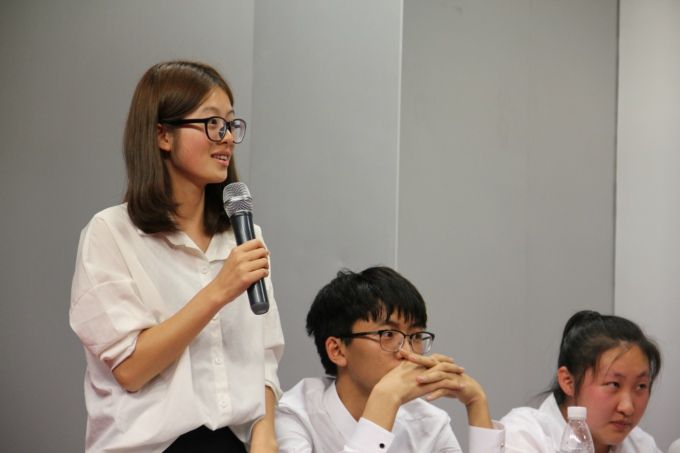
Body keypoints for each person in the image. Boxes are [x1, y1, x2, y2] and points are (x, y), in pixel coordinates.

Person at [69, 61, 284, 452]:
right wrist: (218, 291)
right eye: (212, 123)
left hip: (236, 442)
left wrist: (265, 435)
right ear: (163, 135)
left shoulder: (242, 236)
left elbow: (264, 355)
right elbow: (131, 369)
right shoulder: (111, 233)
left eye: (231, 124)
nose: (227, 138)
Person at [276, 266, 505, 452]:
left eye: (416, 336)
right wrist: (386, 399)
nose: (408, 352)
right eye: (388, 334)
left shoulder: (427, 422)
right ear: (337, 350)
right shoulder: (294, 416)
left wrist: (476, 403)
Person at [501, 310, 662, 453]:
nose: (627, 407)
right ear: (568, 382)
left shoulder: (642, 445)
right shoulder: (524, 434)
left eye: (641, 386)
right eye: (614, 384)